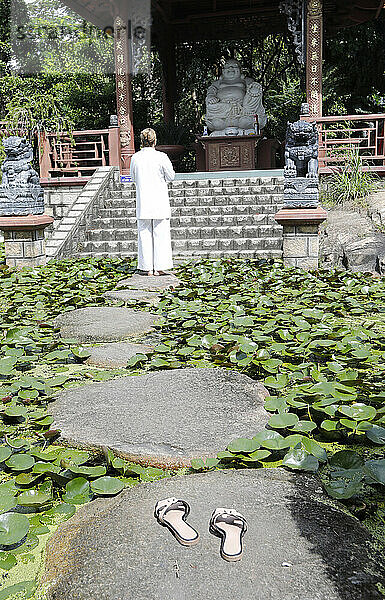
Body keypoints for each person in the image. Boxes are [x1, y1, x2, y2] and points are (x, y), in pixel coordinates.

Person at [129, 128, 175, 276]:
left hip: (143, 200)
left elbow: (133, 178)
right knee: (161, 234)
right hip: (159, 199)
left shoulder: (135, 158)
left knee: (144, 234)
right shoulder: (162, 157)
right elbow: (171, 176)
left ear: (141, 141)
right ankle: (159, 267)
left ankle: (147, 267)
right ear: (155, 141)